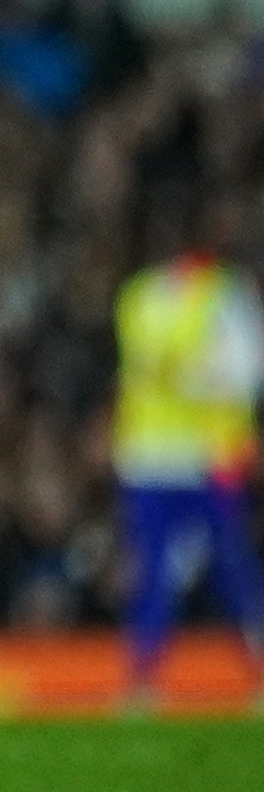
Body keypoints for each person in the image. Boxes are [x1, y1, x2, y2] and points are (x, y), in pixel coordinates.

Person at [112, 235, 264, 704]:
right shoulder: (224, 296)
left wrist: (181, 375)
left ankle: (143, 682)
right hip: (183, 455)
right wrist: (196, 375)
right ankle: (143, 679)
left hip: (174, 457)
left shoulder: (138, 295)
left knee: (214, 566)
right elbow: (246, 373)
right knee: (196, 567)